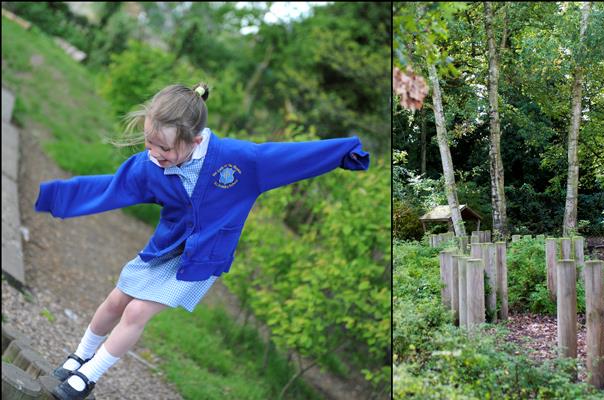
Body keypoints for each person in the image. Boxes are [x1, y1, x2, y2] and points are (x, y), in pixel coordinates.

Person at [36, 83, 370, 400]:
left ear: (195, 141)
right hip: (164, 249)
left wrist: (344, 152)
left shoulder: (239, 161)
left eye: (164, 148)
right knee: (115, 301)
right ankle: (79, 356)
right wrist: (56, 196)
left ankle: (89, 375)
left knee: (137, 311)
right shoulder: (148, 166)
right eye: (148, 143)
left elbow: (292, 156)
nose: (154, 153)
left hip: (200, 259)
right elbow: (110, 188)